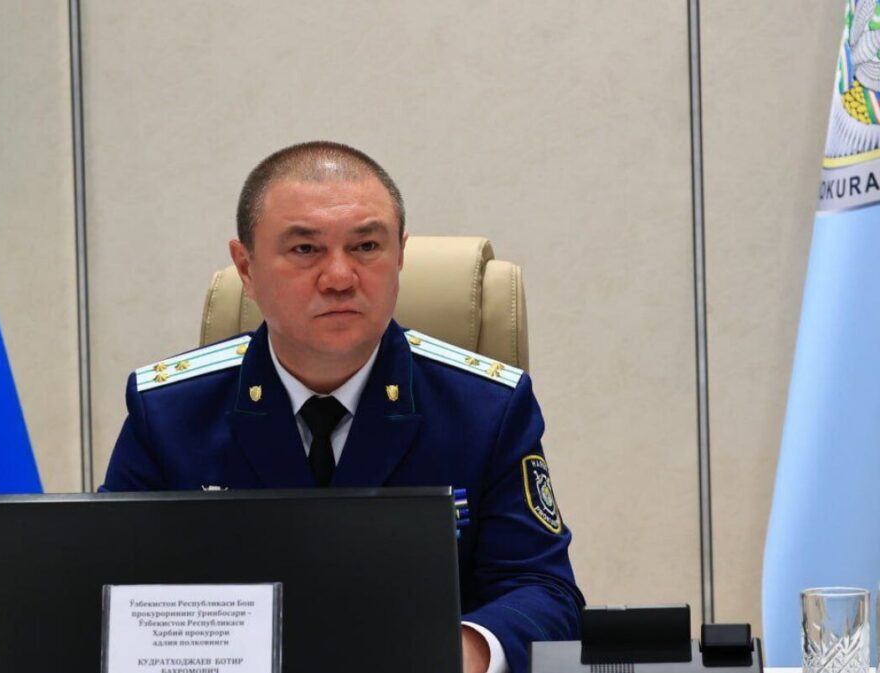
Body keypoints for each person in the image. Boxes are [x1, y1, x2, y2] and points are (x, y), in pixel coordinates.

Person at [101, 141, 584, 673]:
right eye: (305, 249)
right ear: (246, 267)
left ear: (400, 255)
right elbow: (108, 590)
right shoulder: (169, 412)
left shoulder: (486, 408)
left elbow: (543, 590)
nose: (339, 278)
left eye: (367, 246)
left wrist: (460, 652)